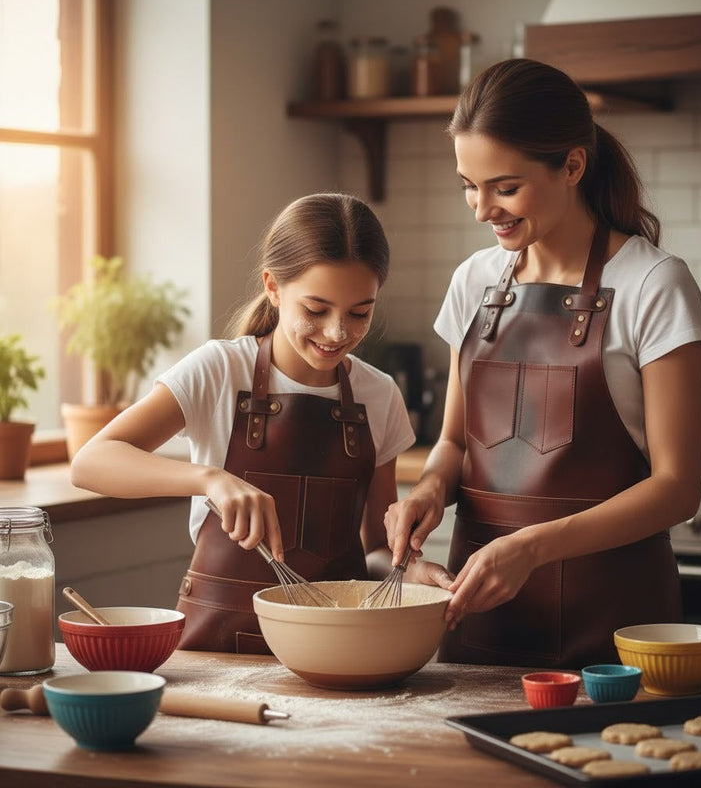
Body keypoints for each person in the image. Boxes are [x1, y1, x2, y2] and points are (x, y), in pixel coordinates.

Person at [383, 59, 701, 667]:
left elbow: (677, 489)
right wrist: (428, 489)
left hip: (615, 636)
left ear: (573, 166)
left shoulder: (653, 283)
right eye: (468, 185)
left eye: (505, 187)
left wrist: (533, 548)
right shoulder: (474, 281)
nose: (482, 209)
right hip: (479, 624)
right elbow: (453, 442)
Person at [71, 192, 444, 653]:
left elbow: (374, 551)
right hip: (217, 650)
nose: (337, 332)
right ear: (273, 287)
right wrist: (210, 480)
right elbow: (90, 462)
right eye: (315, 310)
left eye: (359, 313)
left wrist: (410, 572)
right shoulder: (220, 370)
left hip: (333, 651)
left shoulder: (379, 394)